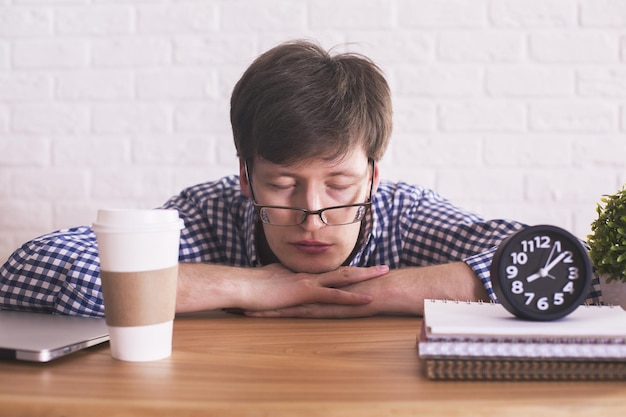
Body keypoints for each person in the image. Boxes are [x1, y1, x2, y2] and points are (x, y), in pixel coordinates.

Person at [0, 40, 603, 318]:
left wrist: (369, 295)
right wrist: (254, 287)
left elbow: (547, 265)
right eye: (283, 184)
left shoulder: (406, 213)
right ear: (244, 177)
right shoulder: (208, 213)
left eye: (339, 184)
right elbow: (31, 271)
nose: (311, 214)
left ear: (374, 174)